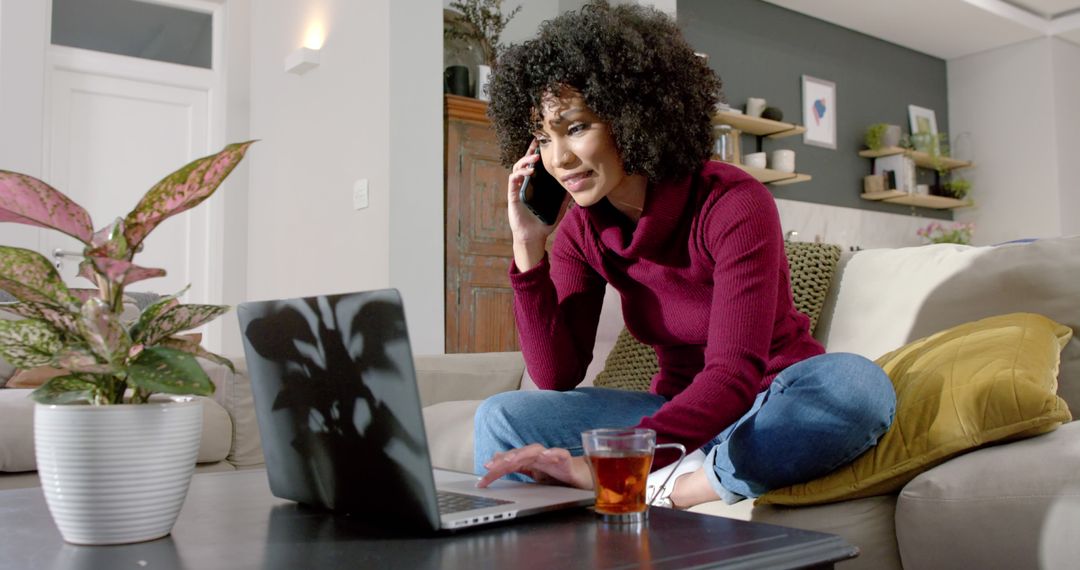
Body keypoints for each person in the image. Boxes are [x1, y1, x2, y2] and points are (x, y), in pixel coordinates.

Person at [474, 1, 896, 508]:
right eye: (543, 138)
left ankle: (680, 487)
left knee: (858, 388)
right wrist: (528, 246)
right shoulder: (580, 232)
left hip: (771, 403)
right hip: (676, 410)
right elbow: (557, 375)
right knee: (502, 416)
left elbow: (734, 375)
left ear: (632, 115)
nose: (558, 159)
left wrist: (622, 460)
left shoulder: (733, 202)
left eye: (577, 127)